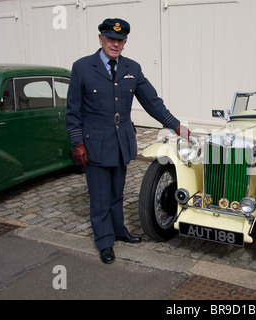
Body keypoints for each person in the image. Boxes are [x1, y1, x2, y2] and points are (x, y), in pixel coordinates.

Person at [66, 18, 190, 264]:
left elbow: (151, 101)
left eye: (120, 40)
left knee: (116, 194)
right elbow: (73, 110)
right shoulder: (82, 67)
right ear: (100, 39)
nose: (115, 44)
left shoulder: (131, 67)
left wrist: (176, 125)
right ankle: (104, 241)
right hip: (95, 144)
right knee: (100, 198)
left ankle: (119, 230)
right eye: (110, 39)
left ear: (125, 43)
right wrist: (77, 142)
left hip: (122, 143)